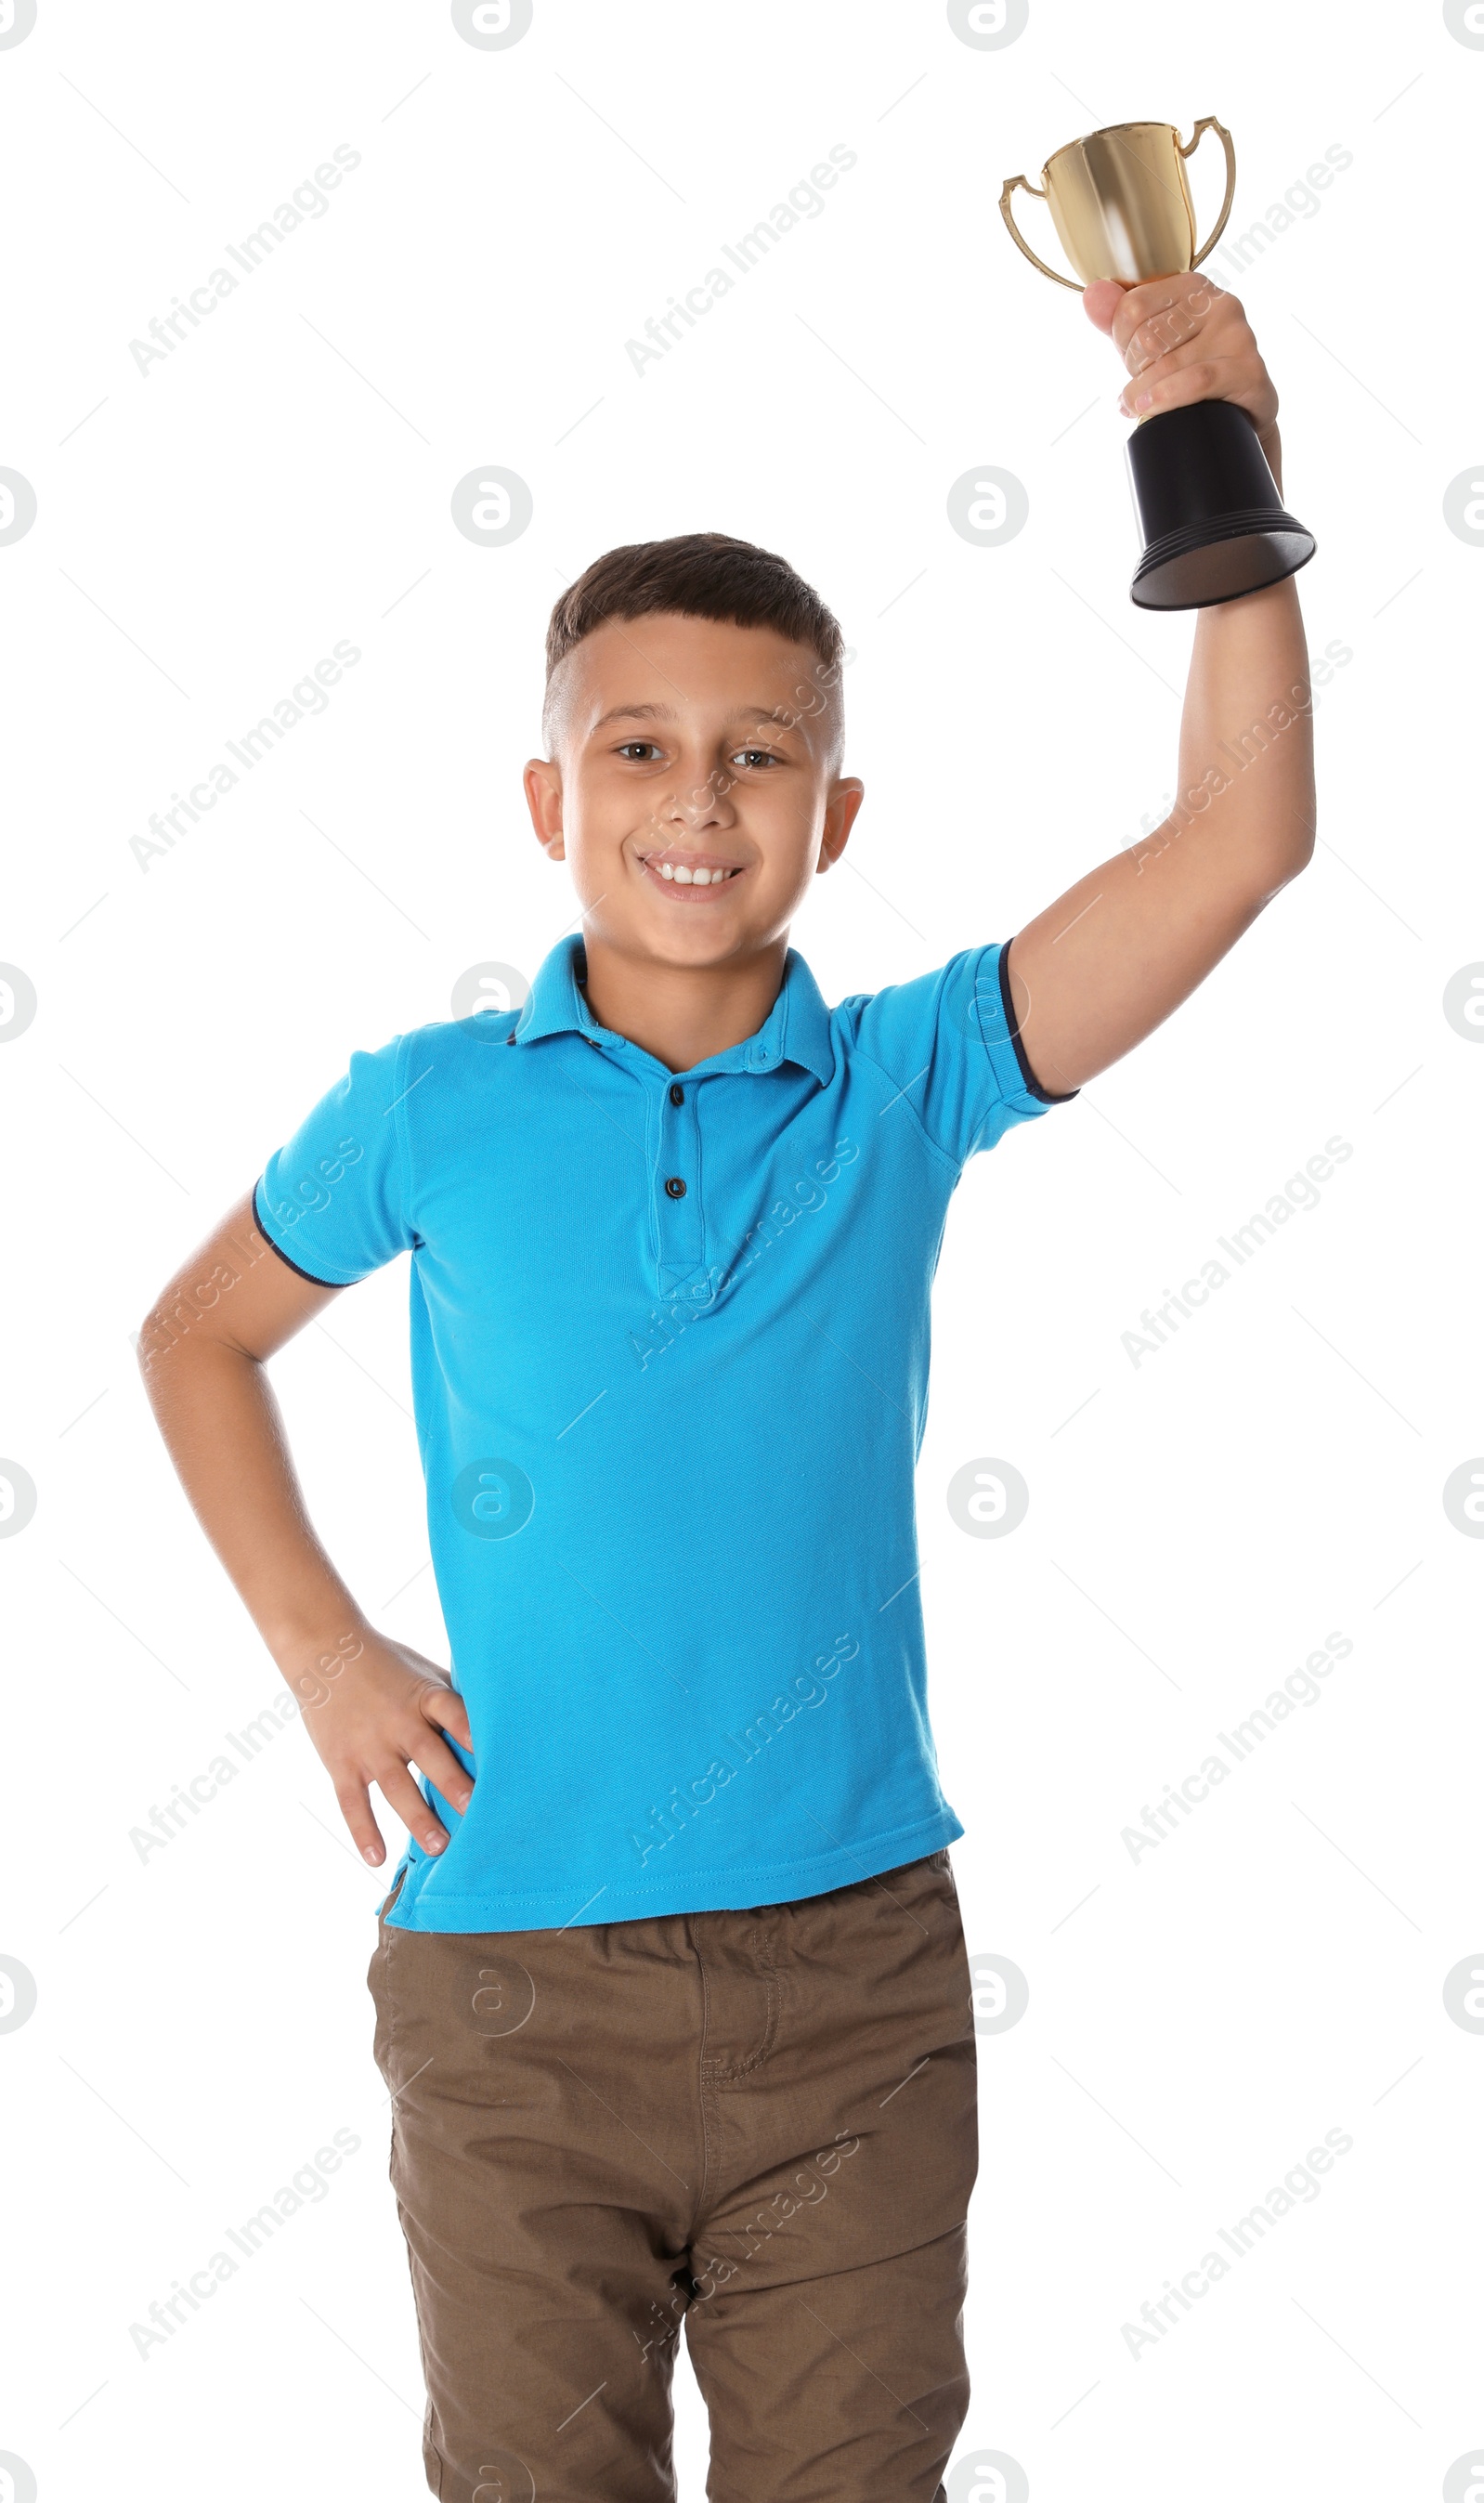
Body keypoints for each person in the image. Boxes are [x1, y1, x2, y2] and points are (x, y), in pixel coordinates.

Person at [139, 274, 1315, 2502]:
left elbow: (1234, 841)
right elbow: (192, 1333)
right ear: (546, 792)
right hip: (507, 1994)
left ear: (834, 812)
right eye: (640, 746)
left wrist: (1220, 455)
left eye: (759, 751)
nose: (699, 798)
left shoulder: (902, 1078)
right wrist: (319, 1648)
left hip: (851, 1991)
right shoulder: (424, 1105)